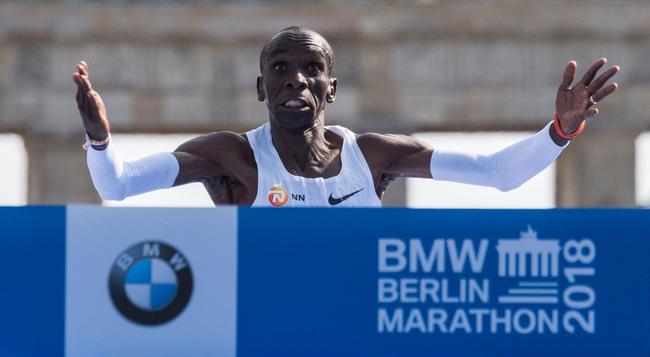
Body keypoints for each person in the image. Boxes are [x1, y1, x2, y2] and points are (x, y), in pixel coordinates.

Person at [73, 25, 619, 207]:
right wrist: (100, 141)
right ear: (262, 88)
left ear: (330, 88)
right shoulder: (231, 158)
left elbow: (498, 173)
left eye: (312, 69)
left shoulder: (372, 156)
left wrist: (559, 132)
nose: (296, 79)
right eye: (281, 68)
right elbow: (117, 186)